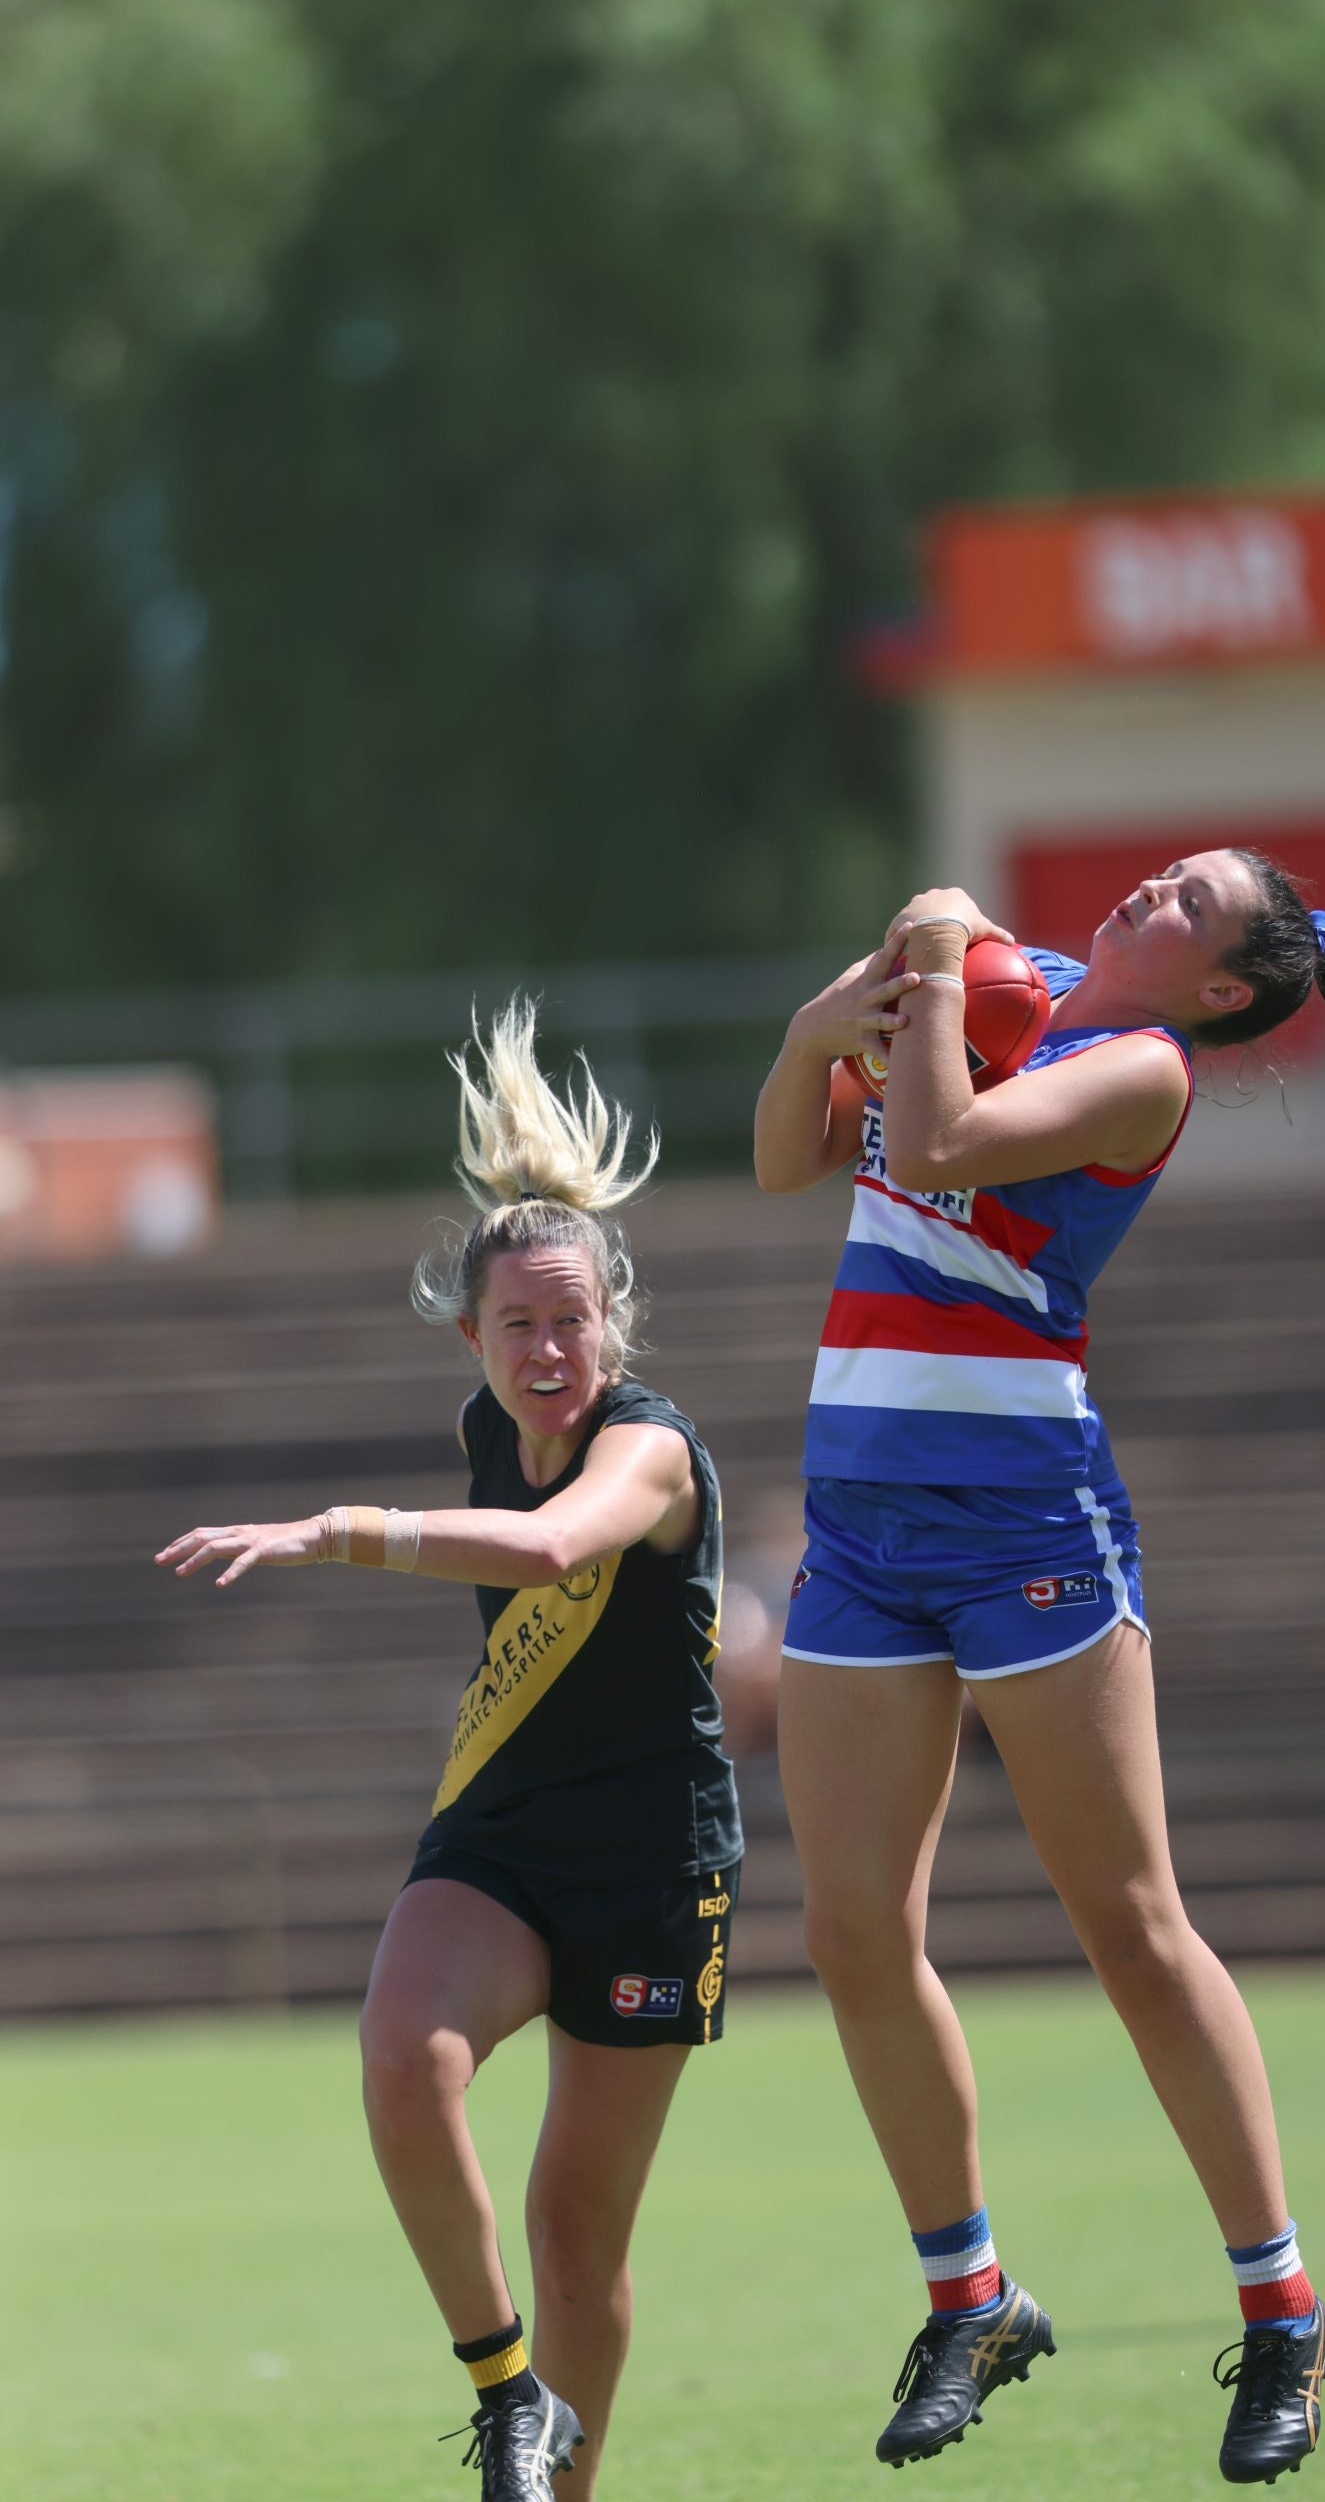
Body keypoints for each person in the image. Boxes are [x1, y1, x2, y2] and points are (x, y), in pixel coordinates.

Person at [753, 852, 1325, 2486]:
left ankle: (1282, 2314)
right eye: (1165, 876)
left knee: (1131, 1927)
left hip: (1023, 1527)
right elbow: (792, 1156)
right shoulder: (1016, 981)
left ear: (1218, 988)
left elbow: (934, 1142)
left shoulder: (1142, 1069)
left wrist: (927, 945)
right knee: (851, 1933)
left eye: (1189, 905)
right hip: (859, 1520)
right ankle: (971, 2300)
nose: (1147, 894)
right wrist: (819, 1028)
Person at [158, 1002, 741, 2502]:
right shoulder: (487, 1420)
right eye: (518, 1325)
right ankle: (505, 2398)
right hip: (505, 1830)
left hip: (651, 1862)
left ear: (613, 1323)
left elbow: (550, 1551)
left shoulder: (650, 1448)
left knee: (576, 2230)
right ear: (472, 1336)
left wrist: (335, 1530)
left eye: (572, 1321)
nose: (549, 1349)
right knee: (402, 2057)